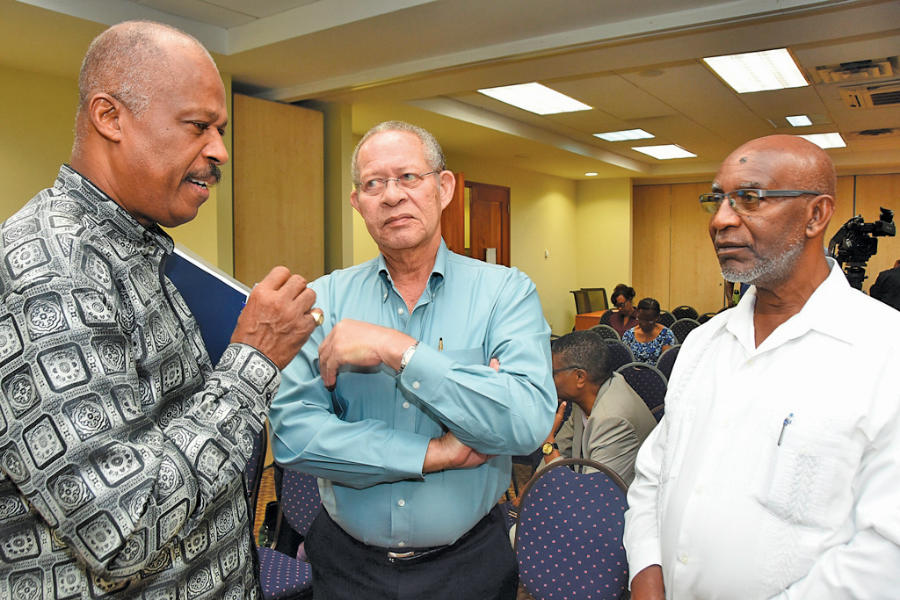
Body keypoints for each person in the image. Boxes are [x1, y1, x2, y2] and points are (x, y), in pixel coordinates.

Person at [0, 21, 319, 599]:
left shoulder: (136, 247)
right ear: (110, 117)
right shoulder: (53, 270)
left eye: (219, 130)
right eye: (198, 126)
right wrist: (252, 359)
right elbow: (119, 530)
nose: (220, 150)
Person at [268, 121, 556, 600]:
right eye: (374, 183)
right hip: (346, 568)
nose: (392, 195)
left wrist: (399, 351)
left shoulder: (505, 293)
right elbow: (293, 436)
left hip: (469, 568)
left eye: (408, 177)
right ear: (357, 203)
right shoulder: (326, 299)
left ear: (444, 188)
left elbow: (524, 423)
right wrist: (433, 454)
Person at [625, 135, 900, 599]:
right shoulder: (702, 345)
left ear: (816, 215)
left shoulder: (884, 350)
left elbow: (885, 550)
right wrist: (646, 572)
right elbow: (653, 476)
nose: (720, 220)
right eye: (717, 199)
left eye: (749, 199)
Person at [540, 331, 656, 485]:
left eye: (553, 373)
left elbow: (591, 494)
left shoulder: (613, 420)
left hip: (624, 504)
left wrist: (547, 443)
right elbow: (562, 447)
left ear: (580, 377)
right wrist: (529, 489)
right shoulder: (587, 395)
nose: (547, 380)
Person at [621, 297, 675, 366]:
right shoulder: (629, 335)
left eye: (648, 320)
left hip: (657, 374)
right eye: (640, 319)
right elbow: (625, 362)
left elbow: (666, 364)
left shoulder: (666, 334)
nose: (643, 323)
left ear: (657, 318)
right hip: (632, 373)